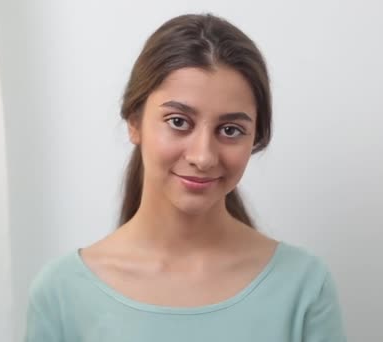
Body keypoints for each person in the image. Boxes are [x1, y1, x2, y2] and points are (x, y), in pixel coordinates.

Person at [25, 13, 347, 342]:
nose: (203, 157)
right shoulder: (61, 295)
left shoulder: (304, 287)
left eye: (230, 130)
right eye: (179, 122)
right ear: (134, 121)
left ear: (255, 139)